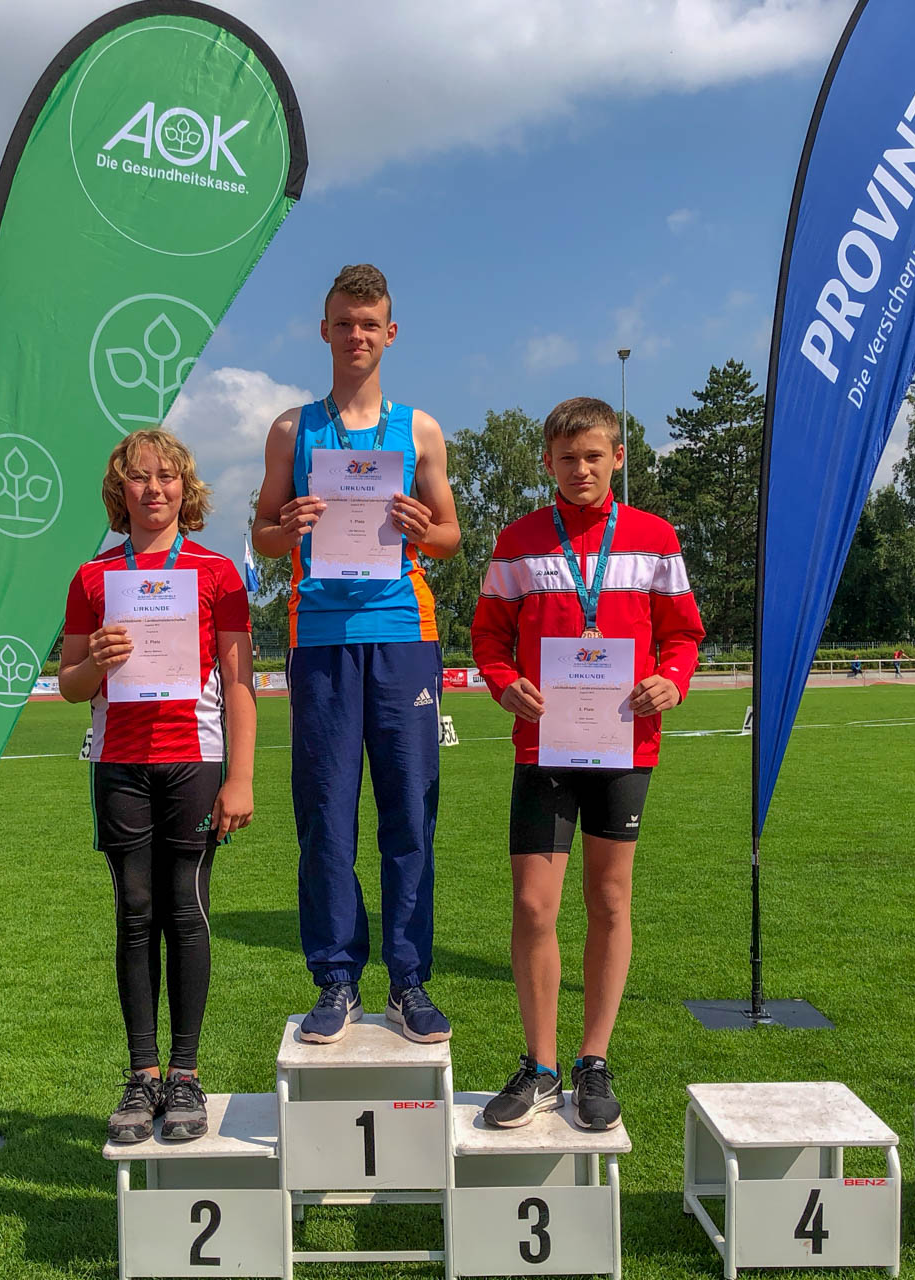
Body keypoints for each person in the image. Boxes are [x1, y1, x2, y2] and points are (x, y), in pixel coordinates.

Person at [472, 397, 704, 1131]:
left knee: (608, 901)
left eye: (594, 456)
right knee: (534, 906)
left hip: (625, 743)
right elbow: (488, 637)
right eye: (567, 458)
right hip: (544, 746)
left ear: (618, 458)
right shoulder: (517, 542)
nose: (581, 469)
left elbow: (684, 634)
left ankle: (593, 1061)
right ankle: (540, 1067)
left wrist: (673, 679)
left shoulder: (654, 537)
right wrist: (504, 682)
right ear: (548, 461)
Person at [252, 264, 461, 1044]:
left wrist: (422, 529)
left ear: (390, 333)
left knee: (409, 813)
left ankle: (408, 982)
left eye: (369, 324)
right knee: (326, 818)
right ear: (325, 330)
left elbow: (450, 536)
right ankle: (336, 979)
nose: (356, 335)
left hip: (404, 634)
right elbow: (262, 534)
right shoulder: (292, 429)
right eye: (344, 323)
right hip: (321, 638)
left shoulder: (421, 430)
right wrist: (289, 526)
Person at [60, 429, 256, 1144]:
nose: (154, 489)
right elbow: (71, 684)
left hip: (194, 761)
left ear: (185, 488)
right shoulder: (92, 578)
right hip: (119, 763)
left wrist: (241, 776)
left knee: (188, 909)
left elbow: (240, 683)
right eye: (140, 477)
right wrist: (97, 661)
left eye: (167, 476)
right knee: (135, 913)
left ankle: (186, 1075)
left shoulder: (217, 573)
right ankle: (143, 1075)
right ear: (121, 489)